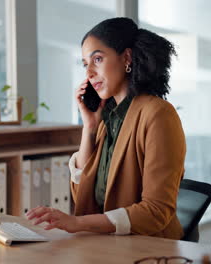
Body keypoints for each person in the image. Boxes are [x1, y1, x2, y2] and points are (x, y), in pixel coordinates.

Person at [26, 17, 186, 240]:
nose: (89, 73)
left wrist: (77, 223)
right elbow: (82, 194)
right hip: (106, 245)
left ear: (127, 58)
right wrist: (89, 128)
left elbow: (156, 211)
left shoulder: (158, 114)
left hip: (151, 249)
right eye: (85, 64)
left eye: (97, 59)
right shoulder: (107, 119)